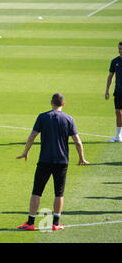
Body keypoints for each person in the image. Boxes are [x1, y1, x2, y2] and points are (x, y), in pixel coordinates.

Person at [16, 93, 88, 231]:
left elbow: (32, 136)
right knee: (59, 193)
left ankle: (30, 222)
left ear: (51, 102)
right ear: (63, 104)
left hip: (44, 160)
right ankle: (56, 223)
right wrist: (81, 157)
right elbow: (77, 141)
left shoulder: (43, 117)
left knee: (37, 191)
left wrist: (25, 152)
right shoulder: (69, 119)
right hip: (62, 162)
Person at [105, 41, 122, 143]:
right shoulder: (115, 61)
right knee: (118, 112)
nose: (120, 51)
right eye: (119, 49)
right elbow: (110, 76)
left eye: (121, 49)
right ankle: (118, 135)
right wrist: (107, 90)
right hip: (119, 91)